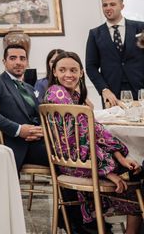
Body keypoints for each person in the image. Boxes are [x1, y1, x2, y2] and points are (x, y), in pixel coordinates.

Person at [45, 51, 143, 234]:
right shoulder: (57, 93)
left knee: (133, 173)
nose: (68, 74)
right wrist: (106, 172)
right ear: (55, 72)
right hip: (77, 163)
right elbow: (79, 138)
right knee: (135, 187)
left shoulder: (74, 96)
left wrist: (120, 158)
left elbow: (97, 129)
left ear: (81, 73)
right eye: (63, 70)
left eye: (73, 70)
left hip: (83, 160)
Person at [0, 44, 46, 171]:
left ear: (27, 62)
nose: (18, 62)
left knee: (74, 152)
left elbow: (39, 117)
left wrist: (42, 131)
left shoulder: (29, 88)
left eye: (22, 58)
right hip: (19, 147)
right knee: (68, 156)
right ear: (4, 61)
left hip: (40, 141)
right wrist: (19, 130)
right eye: (13, 58)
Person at [86, 0, 144, 107]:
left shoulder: (140, 27)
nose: (108, 8)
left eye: (112, 4)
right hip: (112, 95)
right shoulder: (95, 34)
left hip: (141, 89)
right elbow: (91, 66)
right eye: (105, 5)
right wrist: (104, 89)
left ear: (122, 6)